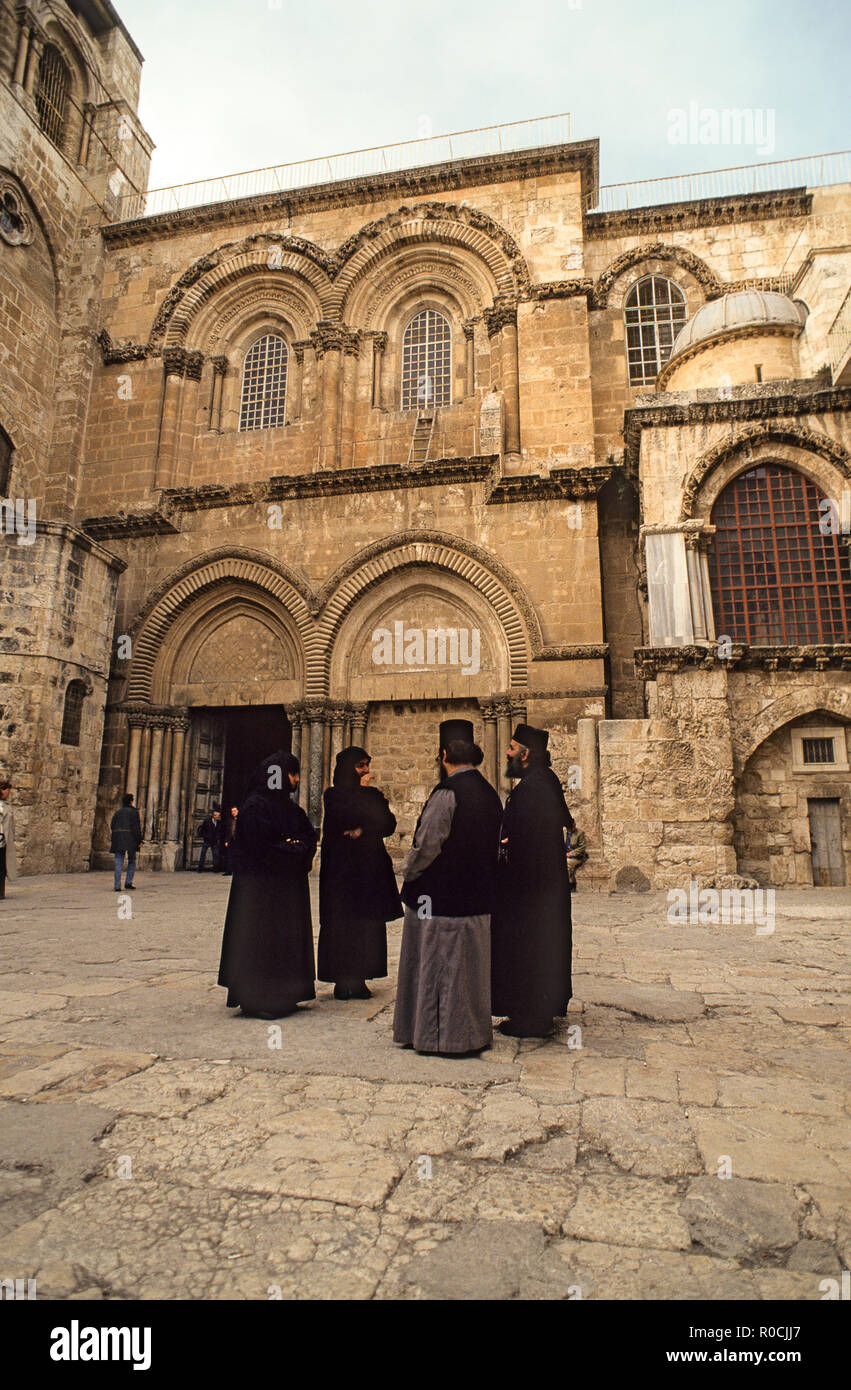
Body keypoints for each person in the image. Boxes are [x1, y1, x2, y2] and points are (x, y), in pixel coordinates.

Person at [393, 719, 503, 1056]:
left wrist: (407, 873)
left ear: (443, 755)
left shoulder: (447, 793)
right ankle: (470, 1034)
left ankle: (439, 1038)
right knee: (468, 973)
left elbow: (427, 846)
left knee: (439, 969)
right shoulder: (490, 793)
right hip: (477, 899)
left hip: (439, 901)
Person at [217, 751, 317, 1020]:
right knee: (259, 939)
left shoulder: (291, 809)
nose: (296, 779)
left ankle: (285, 994)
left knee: (284, 939)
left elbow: (308, 835)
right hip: (258, 891)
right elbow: (256, 848)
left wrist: (295, 847)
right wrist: (289, 848)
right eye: (293, 773)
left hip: (286, 888)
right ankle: (257, 998)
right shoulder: (254, 807)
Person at [491, 723, 575, 1038]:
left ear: (525, 754)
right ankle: (539, 1010)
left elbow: (526, 836)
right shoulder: (543, 782)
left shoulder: (533, 787)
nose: (508, 754)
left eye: (511, 749)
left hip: (531, 887)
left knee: (531, 947)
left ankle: (531, 1017)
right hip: (542, 885)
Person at [318, 746, 401, 1000]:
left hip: (368, 871)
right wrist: (368, 815)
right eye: (360, 765)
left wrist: (362, 828)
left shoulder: (371, 794)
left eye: (367, 765)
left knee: (367, 924)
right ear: (347, 768)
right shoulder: (333, 795)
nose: (366, 770)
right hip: (341, 873)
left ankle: (362, 976)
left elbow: (388, 824)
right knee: (343, 924)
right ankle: (342, 979)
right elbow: (344, 816)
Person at [110, 792, 143, 893]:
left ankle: (117, 885)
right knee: (132, 860)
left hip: (118, 839)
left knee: (118, 862)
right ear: (131, 801)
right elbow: (136, 828)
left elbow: (112, 825)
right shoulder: (134, 812)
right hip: (131, 839)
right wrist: (139, 840)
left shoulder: (118, 812)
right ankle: (128, 882)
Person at [0, 778, 17, 900]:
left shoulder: (7, 806)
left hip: (3, 840)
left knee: (2, 867)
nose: (8, 792)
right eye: (6, 789)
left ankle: (1, 891)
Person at [197, 806, 221, 871]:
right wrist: (205, 836)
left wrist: (218, 838)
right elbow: (202, 830)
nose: (218, 817)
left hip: (214, 841)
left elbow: (219, 831)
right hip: (207, 840)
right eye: (217, 816)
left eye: (219, 816)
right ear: (214, 815)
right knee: (203, 853)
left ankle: (215, 868)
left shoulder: (219, 822)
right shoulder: (207, 821)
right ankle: (200, 868)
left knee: (215, 854)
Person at [219, 806, 238, 875]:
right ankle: (229, 871)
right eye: (232, 811)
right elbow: (227, 831)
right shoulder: (230, 820)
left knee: (238, 856)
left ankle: (237, 871)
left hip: (238, 841)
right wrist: (226, 841)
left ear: (237, 811)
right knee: (229, 855)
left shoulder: (241, 819)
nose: (233, 812)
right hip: (231, 840)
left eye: (234, 811)